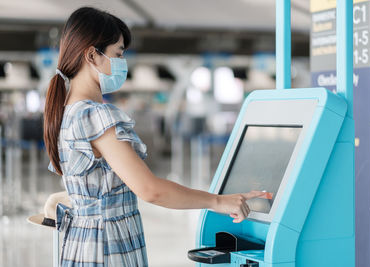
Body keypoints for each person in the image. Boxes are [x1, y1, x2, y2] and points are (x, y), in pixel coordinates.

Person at [44, 6, 265, 267]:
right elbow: (150, 190)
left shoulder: (67, 112)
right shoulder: (96, 116)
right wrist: (217, 201)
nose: (122, 63)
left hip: (82, 243)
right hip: (107, 247)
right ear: (92, 55)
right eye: (118, 53)